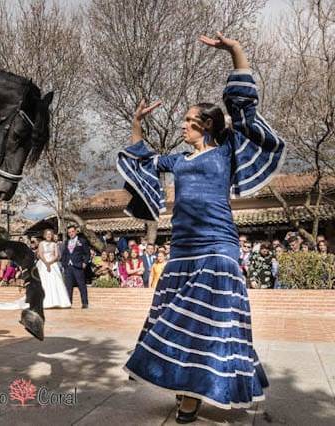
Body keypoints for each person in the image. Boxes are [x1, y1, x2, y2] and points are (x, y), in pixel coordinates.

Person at [119, 33, 281, 420]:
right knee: (177, 320)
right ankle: (186, 382)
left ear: (207, 124)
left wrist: (235, 51)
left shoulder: (227, 151)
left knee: (208, 322)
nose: (183, 127)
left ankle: (194, 391)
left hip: (218, 249)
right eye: (184, 122)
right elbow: (142, 161)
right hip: (182, 253)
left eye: (189, 122)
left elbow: (243, 107)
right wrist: (136, 124)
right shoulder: (178, 160)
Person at [36, 229, 71, 308]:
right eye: (47, 234)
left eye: (50, 234)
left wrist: (50, 262)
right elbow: (40, 254)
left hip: (53, 264)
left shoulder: (54, 244)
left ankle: (58, 301)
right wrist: (46, 263)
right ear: (45, 235)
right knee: (43, 281)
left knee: (55, 281)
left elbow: (57, 255)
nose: (49, 236)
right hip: (43, 263)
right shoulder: (41, 243)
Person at [61, 225, 91, 308]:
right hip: (68, 267)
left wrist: (85, 262)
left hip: (78, 266)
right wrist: (64, 264)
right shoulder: (67, 242)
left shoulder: (82, 241)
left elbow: (87, 253)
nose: (71, 233)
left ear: (76, 231)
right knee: (68, 286)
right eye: (69, 232)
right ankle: (68, 303)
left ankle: (85, 303)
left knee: (81, 285)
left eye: (72, 231)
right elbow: (64, 254)